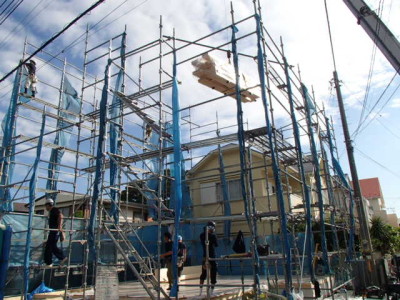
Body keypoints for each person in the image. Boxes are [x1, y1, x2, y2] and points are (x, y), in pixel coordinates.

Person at [44, 199, 66, 266]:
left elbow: (61, 216)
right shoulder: (52, 211)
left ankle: (61, 258)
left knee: (50, 246)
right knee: (50, 246)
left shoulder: (54, 210)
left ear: (48, 205)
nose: (46, 208)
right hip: (53, 231)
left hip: (55, 231)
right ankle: (50, 262)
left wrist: (59, 226)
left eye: (46, 206)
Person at [199, 221, 218, 295]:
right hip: (211, 256)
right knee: (213, 272)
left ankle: (201, 290)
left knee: (204, 273)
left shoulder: (202, 235)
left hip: (205, 256)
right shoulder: (212, 236)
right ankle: (210, 290)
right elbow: (216, 245)